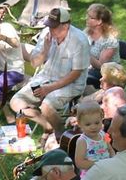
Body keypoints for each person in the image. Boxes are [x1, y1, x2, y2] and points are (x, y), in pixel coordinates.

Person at [9, 7, 91, 136]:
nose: (51, 30)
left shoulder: (79, 40)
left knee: (47, 106)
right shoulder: (46, 34)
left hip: (71, 83)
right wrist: (44, 51)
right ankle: (48, 126)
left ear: (65, 26)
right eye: (50, 26)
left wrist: (49, 88)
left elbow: (76, 73)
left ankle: (60, 133)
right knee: (16, 102)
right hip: (45, 77)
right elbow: (34, 63)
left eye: (54, 27)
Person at [84, 4, 120, 89]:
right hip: (89, 67)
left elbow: (101, 66)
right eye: (87, 16)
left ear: (99, 21)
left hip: (107, 73)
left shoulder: (110, 40)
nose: (87, 19)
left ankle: (83, 98)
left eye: (91, 17)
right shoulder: (87, 32)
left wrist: (84, 52)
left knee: (76, 76)